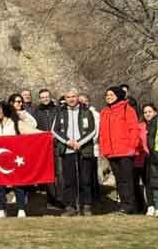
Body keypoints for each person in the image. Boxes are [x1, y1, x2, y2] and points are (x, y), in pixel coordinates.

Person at [49, 88, 98, 216]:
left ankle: (86, 206)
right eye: (68, 97)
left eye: (73, 96)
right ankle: (70, 206)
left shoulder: (87, 111)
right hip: (67, 150)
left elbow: (93, 130)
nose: (71, 99)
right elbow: (54, 130)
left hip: (84, 150)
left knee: (85, 179)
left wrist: (79, 143)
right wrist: (67, 142)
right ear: (65, 99)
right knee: (69, 180)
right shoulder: (60, 112)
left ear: (77, 97)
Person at [99, 86, 144, 214]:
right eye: (107, 95)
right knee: (119, 180)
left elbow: (134, 129)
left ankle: (131, 206)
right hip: (111, 152)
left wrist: (132, 146)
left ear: (118, 95)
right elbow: (102, 133)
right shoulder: (104, 112)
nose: (108, 97)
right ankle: (124, 205)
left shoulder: (127, 109)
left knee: (127, 179)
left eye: (111, 95)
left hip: (126, 151)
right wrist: (103, 148)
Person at [0, 102, 31, 218]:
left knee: (18, 184)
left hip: (15, 159)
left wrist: (47, 135)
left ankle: (21, 209)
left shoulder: (17, 124)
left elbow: (33, 132)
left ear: (5, 110)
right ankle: (1, 209)